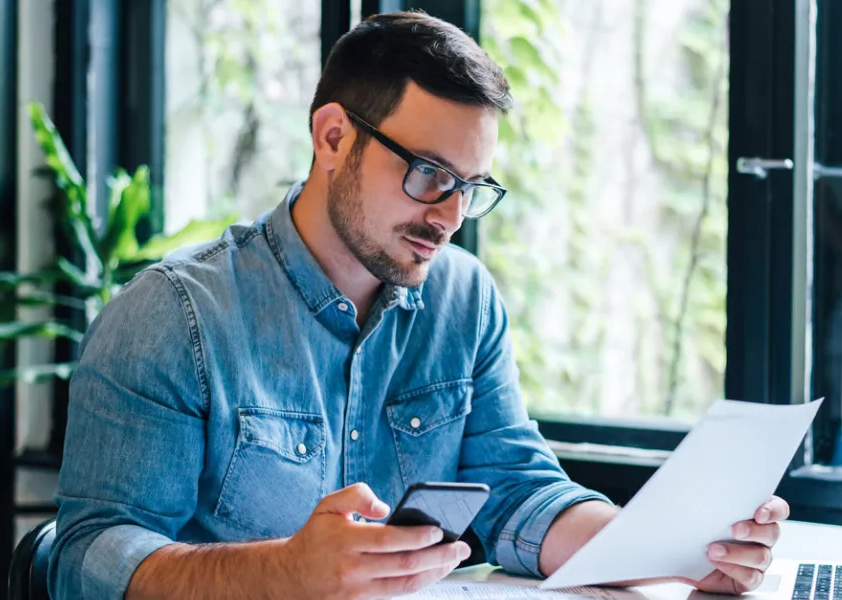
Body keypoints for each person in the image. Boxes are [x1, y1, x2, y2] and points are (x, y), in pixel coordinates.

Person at [49, 11, 788, 599]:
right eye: (431, 174)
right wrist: (283, 575)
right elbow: (89, 560)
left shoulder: (463, 300)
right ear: (334, 137)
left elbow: (516, 490)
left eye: (471, 187)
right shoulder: (174, 317)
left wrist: (675, 554)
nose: (450, 216)